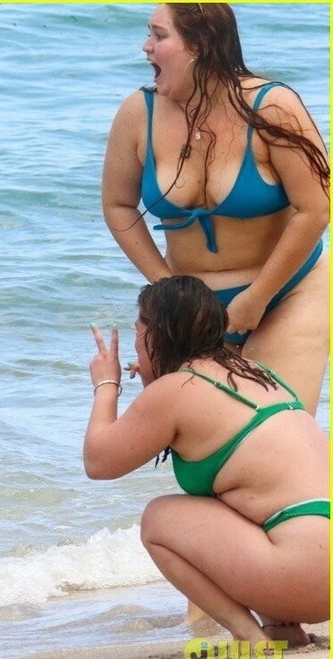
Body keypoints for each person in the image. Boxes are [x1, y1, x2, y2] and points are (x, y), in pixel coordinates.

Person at [101, 3, 329, 415]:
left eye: (159, 35)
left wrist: (258, 297)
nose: (146, 46)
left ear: (200, 44)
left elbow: (315, 209)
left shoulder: (271, 106)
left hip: (288, 291)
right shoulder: (138, 113)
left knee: (273, 426)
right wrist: (171, 291)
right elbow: (118, 206)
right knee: (202, 434)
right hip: (194, 311)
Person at [84, 275, 328, 646]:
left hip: (304, 575)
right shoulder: (257, 374)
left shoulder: (178, 390)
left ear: (156, 334)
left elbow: (98, 462)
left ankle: (250, 638)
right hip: (314, 567)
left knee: (159, 519)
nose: (135, 341)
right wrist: (155, 378)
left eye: (137, 330)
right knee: (242, 501)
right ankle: (283, 631)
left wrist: (106, 384)